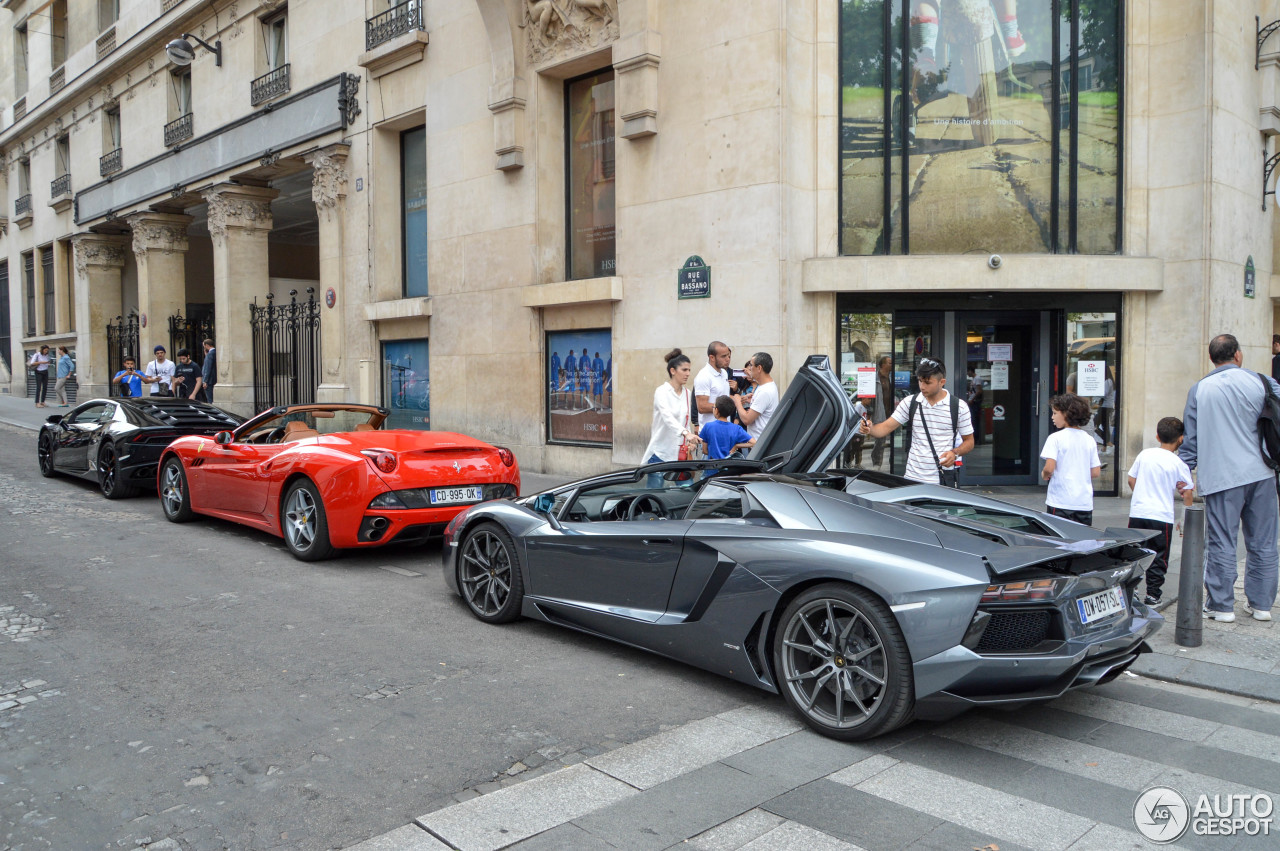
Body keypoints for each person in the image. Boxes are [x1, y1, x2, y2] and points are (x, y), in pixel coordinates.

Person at [1180, 334, 1278, 623]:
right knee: (1264, 542)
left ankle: (1221, 606)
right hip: (1262, 472)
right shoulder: (1262, 382)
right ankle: (1261, 605)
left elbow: (1191, 441)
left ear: (1213, 358)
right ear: (1237, 355)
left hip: (1222, 477)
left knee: (1222, 540)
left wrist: (1183, 475)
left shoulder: (1199, 390)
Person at [859, 357, 974, 485]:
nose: (922, 386)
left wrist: (955, 453)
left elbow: (969, 441)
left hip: (943, 479)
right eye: (920, 381)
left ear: (942, 382)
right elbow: (885, 428)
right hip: (913, 479)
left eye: (927, 382)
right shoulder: (910, 403)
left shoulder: (958, 407)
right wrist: (870, 428)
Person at [1128, 417, 1195, 606]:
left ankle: (1133, 590)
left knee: (1136, 552)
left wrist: (1141, 494)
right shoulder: (1178, 463)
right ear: (1181, 439)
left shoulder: (1145, 454)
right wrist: (1185, 517)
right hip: (1161, 516)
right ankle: (1153, 595)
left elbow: (1131, 479)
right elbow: (1187, 492)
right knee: (1159, 555)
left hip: (1139, 512)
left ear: (1157, 436)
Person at [1040, 393, 1101, 525]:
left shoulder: (1055, 438)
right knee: (1082, 541)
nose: (1052, 417)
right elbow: (1095, 472)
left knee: (1059, 541)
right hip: (1083, 503)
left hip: (1060, 501)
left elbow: (1049, 468)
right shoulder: (1089, 440)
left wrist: (1044, 474)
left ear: (1066, 414)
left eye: (1055, 413)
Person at [641, 349, 697, 489]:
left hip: (680, 454)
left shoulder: (687, 393)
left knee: (687, 491)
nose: (688, 374)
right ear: (673, 370)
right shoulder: (661, 391)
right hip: (660, 452)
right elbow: (667, 418)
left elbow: (686, 421)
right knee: (654, 495)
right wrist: (686, 433)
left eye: (689, 370)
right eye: (684, 370)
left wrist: (691, 442)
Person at [699, 395, 755, 476]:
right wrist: (736, 446)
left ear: (717, 410)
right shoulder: (736, 428)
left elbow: (704, 450)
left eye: (713, 407)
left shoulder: (708, 426)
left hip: (712, 470)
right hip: (729, 470)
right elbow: (753, 443)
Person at [733, 352, 779, 440]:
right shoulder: (767, 385)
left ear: (759, 368)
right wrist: (752, 401)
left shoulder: (765, 391)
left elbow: (747, 420)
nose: (749, 368)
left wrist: (738, 402)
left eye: (751, 365)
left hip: (759, 443)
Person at [694, 341, 737, 423]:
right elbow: (702, 407)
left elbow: (722, 396)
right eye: (723, 356)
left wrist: (737, 399)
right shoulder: (703, 376)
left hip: (726, 427)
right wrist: (728, 406)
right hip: (710, 431)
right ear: (712, 357)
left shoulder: (724, 373)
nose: (727, 359)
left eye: (728, 356)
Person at [870, 355, 894, 467]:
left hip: (892, 414)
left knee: (894, 441)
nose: (892, 364)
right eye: (889, 362)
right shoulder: (875, 379)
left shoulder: (892, 378)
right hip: (880, 413)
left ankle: (892, 463)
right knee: (880, 440)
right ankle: (876, 462)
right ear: (882, 365)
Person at [1096, 366, 1116, 450]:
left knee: (1094, 425)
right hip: (1106, 406)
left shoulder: (1108, 381)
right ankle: (1106, 444)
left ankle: (1107, 441)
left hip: (1105, 406)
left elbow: (1103, 393)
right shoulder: (1109, 381)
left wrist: (1094, 392)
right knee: (1104, 426)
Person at [965, 365, 984, 445]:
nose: (967, 374)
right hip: (972, 401)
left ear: (971, 371)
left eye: (968, 372)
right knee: (972, 419)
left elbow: (979, 391)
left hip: (975, 402)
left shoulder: (977, 379)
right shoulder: (973, 379)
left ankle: (976, 439)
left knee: (974, 420)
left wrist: (972, 399)